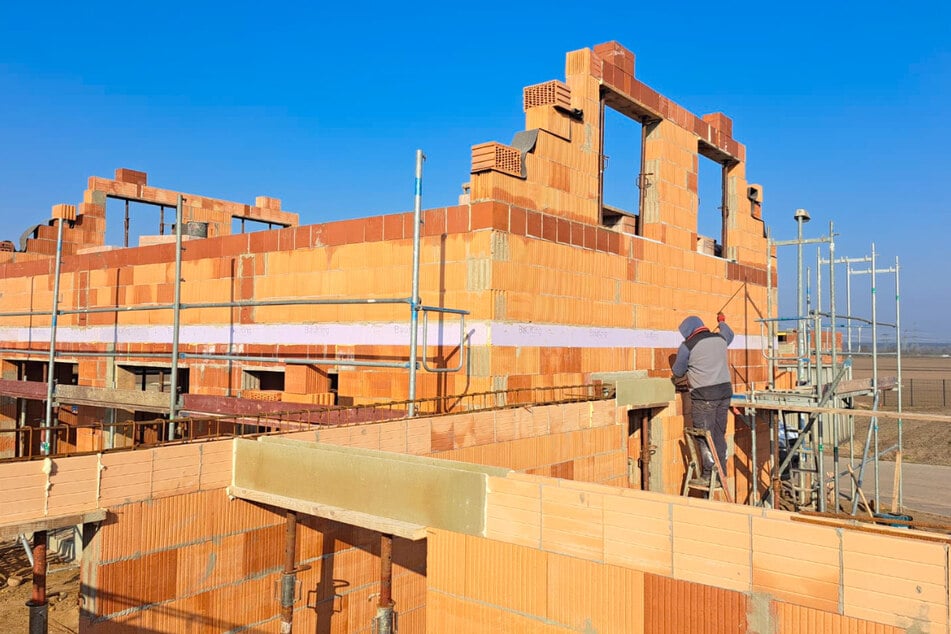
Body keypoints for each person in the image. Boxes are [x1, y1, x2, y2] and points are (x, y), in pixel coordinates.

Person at [671, 313, 734, 480]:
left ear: (688, 331)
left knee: (704, 435)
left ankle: (708, 474)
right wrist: (721, 321)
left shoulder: (687, 346)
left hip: (704, 396)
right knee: (719, 433)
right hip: (725, 394)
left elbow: (677, 371)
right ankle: (722, 472)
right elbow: (730, 333)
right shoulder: (720, 338)